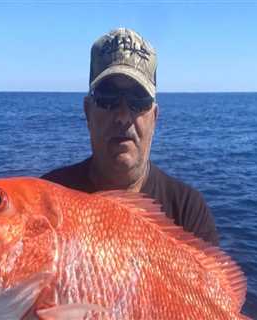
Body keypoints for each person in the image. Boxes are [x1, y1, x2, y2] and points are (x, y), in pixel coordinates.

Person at [41, 28, 219, 245]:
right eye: (108, 97)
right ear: (87, 112)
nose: (123, 116)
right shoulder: (46, 202)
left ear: (154, 117)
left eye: (138, 100)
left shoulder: (187, 210)